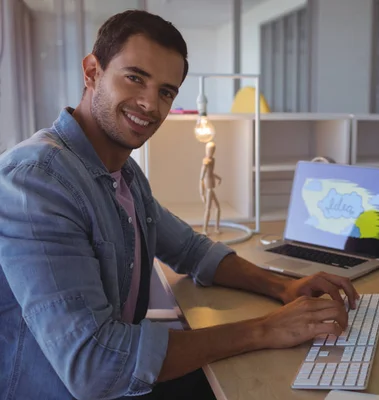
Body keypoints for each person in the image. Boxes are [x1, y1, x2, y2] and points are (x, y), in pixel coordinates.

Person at [0, 10, 358, 400]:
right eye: (135, 77)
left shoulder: (125, 174)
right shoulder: (37, 179)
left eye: (166, 91)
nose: (150, 105)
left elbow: (191, 250)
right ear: (91, 71)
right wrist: (265, 328)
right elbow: (95, 365)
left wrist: (286, 286)